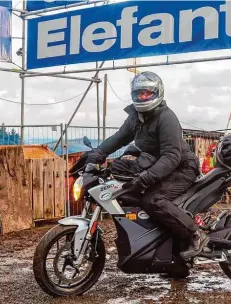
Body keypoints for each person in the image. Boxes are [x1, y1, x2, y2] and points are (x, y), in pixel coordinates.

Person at [83, 71, 208, 260]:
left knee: (154, 200)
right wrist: (97, 154)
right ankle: (166, 250)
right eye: (139, 93)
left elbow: (172, 156)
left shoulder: (166, 118)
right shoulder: (135, 117)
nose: (142, 97)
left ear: (157, 93)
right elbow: (119, 138)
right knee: (127, 189)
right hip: (160, 166)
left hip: (181, 168)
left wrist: (148, 176)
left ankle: (195, 234)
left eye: (147, 93)